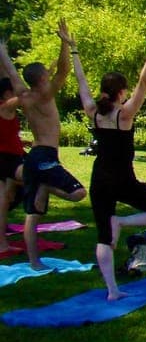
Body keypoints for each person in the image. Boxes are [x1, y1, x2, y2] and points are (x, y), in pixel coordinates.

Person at [69, 29, 146, 300]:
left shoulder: (93, 112)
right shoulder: (125, 114)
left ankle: (112, 291)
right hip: (123, 181)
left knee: (104, 236)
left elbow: (81, 83)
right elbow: (145, 82)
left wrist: (74, 50)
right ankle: (122, 222)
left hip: (100, 179)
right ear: (121, 92)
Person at [0, 19, 86, 270]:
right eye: (47, 75)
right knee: (78, 193)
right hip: (45, 156)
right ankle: (46, 185)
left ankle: (35, 262)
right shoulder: (45, 95)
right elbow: (64, 70)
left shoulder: (24, 94)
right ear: (42, 79)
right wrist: (65, 44)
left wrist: (2, 52)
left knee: (33, 213)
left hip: (33, 156)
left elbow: (12, 72)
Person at [0, 77, 24, 253]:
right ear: (8, 93)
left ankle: (2, 242)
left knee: (5, 198)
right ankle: (2, 244)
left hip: (11, 157)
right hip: (6, 159)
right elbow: (25, 96)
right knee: (3, 199)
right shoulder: (5, 107)